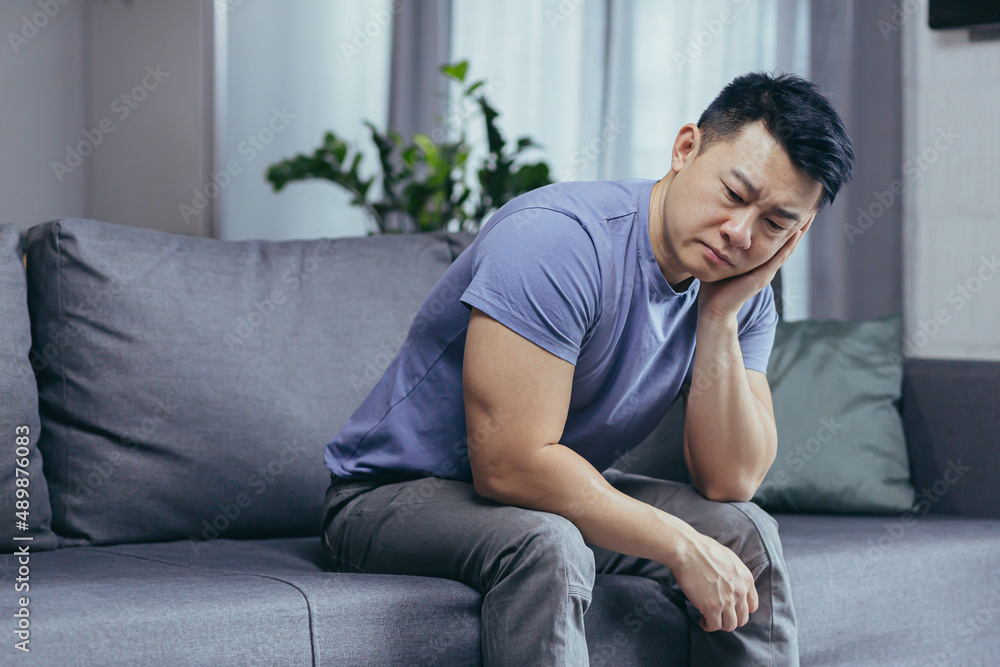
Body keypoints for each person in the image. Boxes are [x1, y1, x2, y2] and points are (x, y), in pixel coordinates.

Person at [320, 70, 855, 666]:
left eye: (775, 224)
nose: (739, 233)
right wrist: (679, 544)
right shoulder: (559, 241)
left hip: (539, 497)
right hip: (390, 498)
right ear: (685, 149)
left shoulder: (737, 289)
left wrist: (720, 318)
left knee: (744, 533)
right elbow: (509, 464)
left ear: (797, 233)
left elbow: (730, 482)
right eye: (733, 194)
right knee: (550, 543)